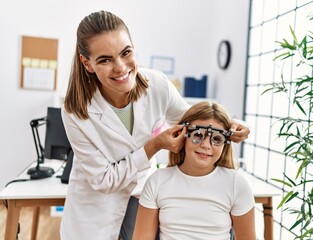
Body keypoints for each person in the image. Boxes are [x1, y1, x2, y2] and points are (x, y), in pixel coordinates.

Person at [60, 10, 250, 240]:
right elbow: (104, 180)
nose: (120, 67)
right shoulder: (76, 111)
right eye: (105, 60)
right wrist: (155, 145)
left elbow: (191, 120)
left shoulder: (156, 84)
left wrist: (230, 126)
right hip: (96, 208)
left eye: (125, 52)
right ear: (87, 63)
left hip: (140, 195)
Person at [133, 101, 256, 240]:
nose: (205, 145)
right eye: (198, 135)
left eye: (216, 138)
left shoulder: (236, 184)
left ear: (225, 143)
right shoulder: (157, 180)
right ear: (182, 135)